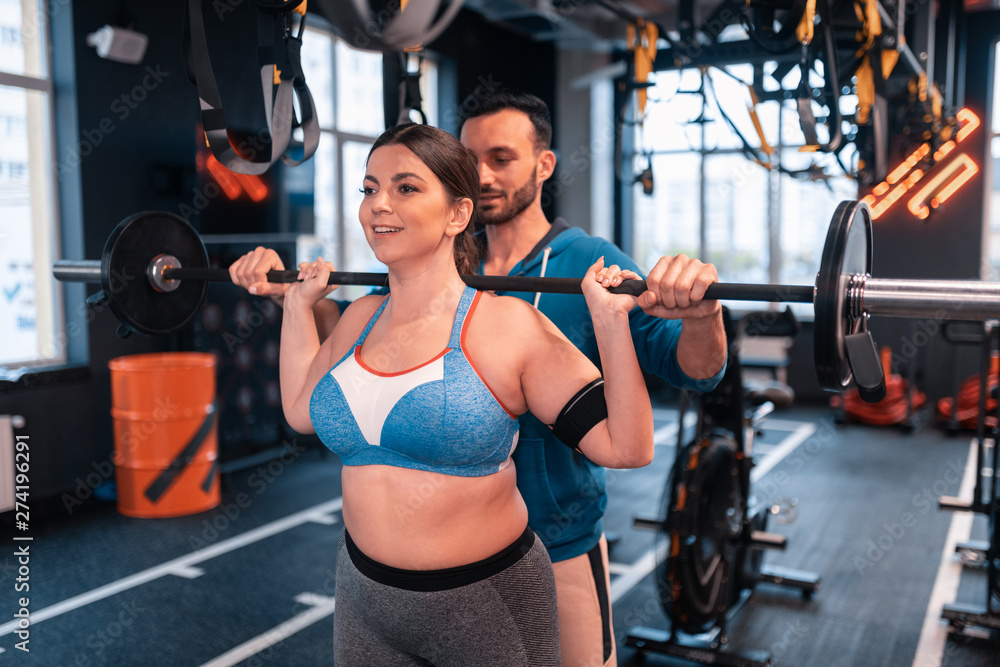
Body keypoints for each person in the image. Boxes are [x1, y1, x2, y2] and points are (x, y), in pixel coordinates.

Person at [230, 90, 727, 666]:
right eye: (369, 189)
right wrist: (296, 300)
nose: (481, 172)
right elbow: (322, 393)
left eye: (500, 157)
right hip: (368, 587)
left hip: (545, 546)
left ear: (541, 167)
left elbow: (690, 373)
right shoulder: (383, 301)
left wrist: (697, 312)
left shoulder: (583, 266)